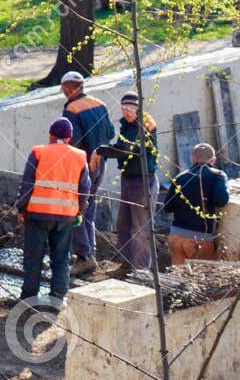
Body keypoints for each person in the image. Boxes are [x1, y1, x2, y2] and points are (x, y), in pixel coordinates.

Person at [18, 117, 92, 304]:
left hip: (37, 214)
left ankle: (28, 298)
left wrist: (21, 208)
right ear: (69, 137)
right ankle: (58, 298)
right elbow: (84, 189)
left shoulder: (39, 152)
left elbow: (27, 184)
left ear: (51, 135)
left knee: (33, 258)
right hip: (65, 216)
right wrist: (80, 211)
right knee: (60, 258)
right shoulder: (80, 156)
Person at [93, 92, 159, 271]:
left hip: (143, 181)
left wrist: (101, 151)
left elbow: (125, 150)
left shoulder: (143, 127)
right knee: (123, 223)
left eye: (131, 109)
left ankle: (142, 269)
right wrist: (104, 149)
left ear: (139, 109)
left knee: (140, 228)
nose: (127, 113)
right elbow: (120, 146)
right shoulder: (126, 126)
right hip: (128, 179)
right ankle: (128, 263)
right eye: (124, 109)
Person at [58, 71, 111, 272]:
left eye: (63, 89)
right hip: (100, 163)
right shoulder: (100, 103)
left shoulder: (72, 109)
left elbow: (74, 141)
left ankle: (83, 256)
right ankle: (91, 251)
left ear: (70, 88)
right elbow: (110, 133)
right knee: (89, 209)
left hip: (82, 166)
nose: (63, 93)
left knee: (76, 209)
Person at [164, 143, 229, 265]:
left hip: (176, 237)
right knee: (202, 279)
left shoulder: (179, 177)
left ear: (194, 158)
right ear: (213, 161)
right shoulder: (218, 176)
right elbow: (221, 200)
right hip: (199, 240)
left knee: (178, 278)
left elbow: (167, 207)